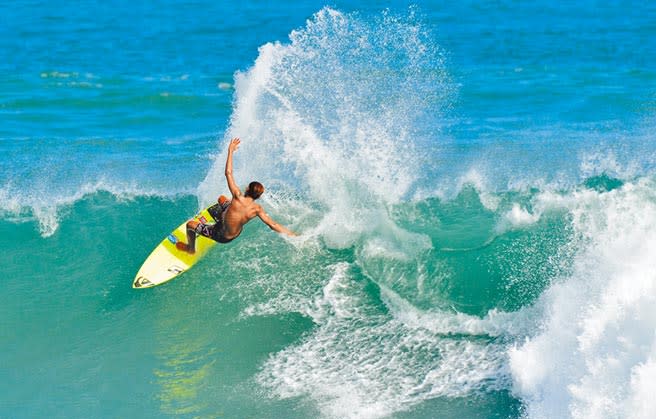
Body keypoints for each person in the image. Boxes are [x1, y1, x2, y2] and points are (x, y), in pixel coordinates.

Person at [176, 137, 297, 254]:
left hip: (221, 235)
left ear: (248, 189)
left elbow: (228, 173)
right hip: (235, 233)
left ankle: (190, 248)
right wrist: (293, 235)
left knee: (190, 225)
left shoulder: (237, 195)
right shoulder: (257, 209)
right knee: (222, 199)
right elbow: (273, 225)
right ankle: (221, 218)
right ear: (258, 196)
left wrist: (230, 151)